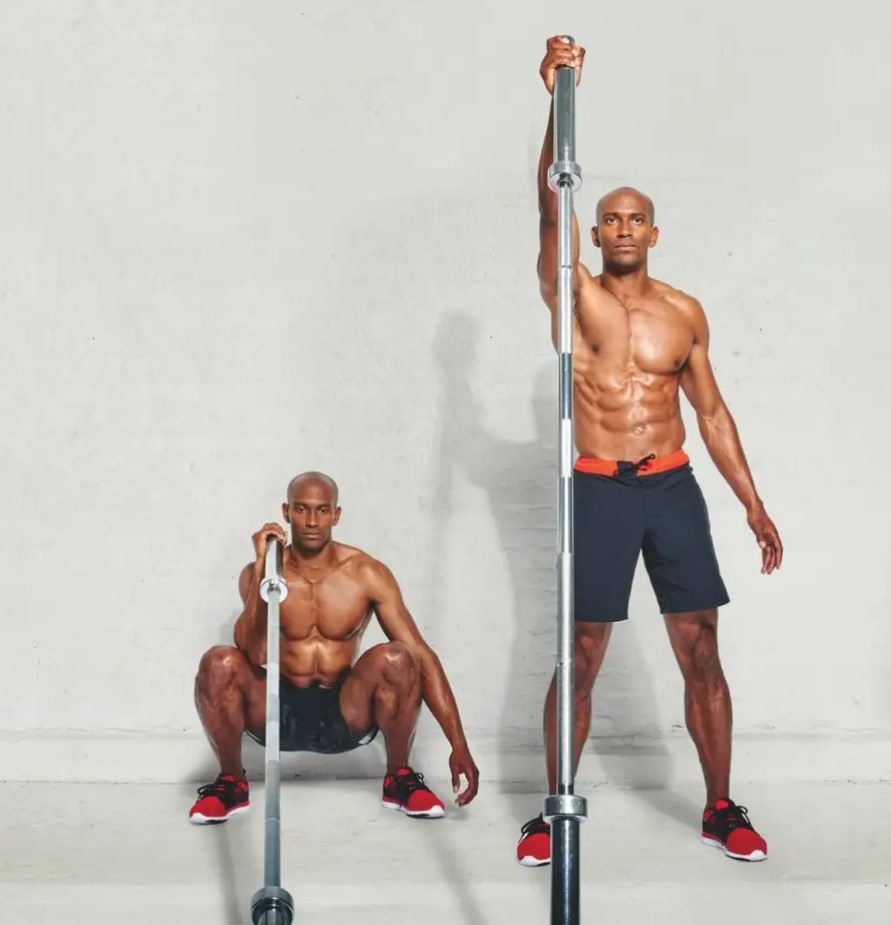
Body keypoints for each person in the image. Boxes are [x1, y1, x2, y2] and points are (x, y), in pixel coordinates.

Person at [516, 37, 784, 866]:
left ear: (653, 231)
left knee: (699, 644)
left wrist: (750, 500)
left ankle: (719, 805)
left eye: (636, 218)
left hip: (671, 487)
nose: (622, 227)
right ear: (595, 230)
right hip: (597, 488)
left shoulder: (682, 311)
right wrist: (559, 97)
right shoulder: (577, 296)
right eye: (611, 218)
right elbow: (545, 207)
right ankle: (553, 807)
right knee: (582, 650)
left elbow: (710, 409)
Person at [189, 471, 479, 824]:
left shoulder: (365, 573)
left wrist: (458, 742)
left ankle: (399, 777)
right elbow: (257, 653)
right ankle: (231, 782)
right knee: (218, 662)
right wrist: (266, 567)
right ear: (286, 511)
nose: (311, 521)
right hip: (276, 712)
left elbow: (421, 654)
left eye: (322, 511)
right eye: (302, 509)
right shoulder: (260, 572)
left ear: (336, 515)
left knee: (400, 657)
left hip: (346, 710)